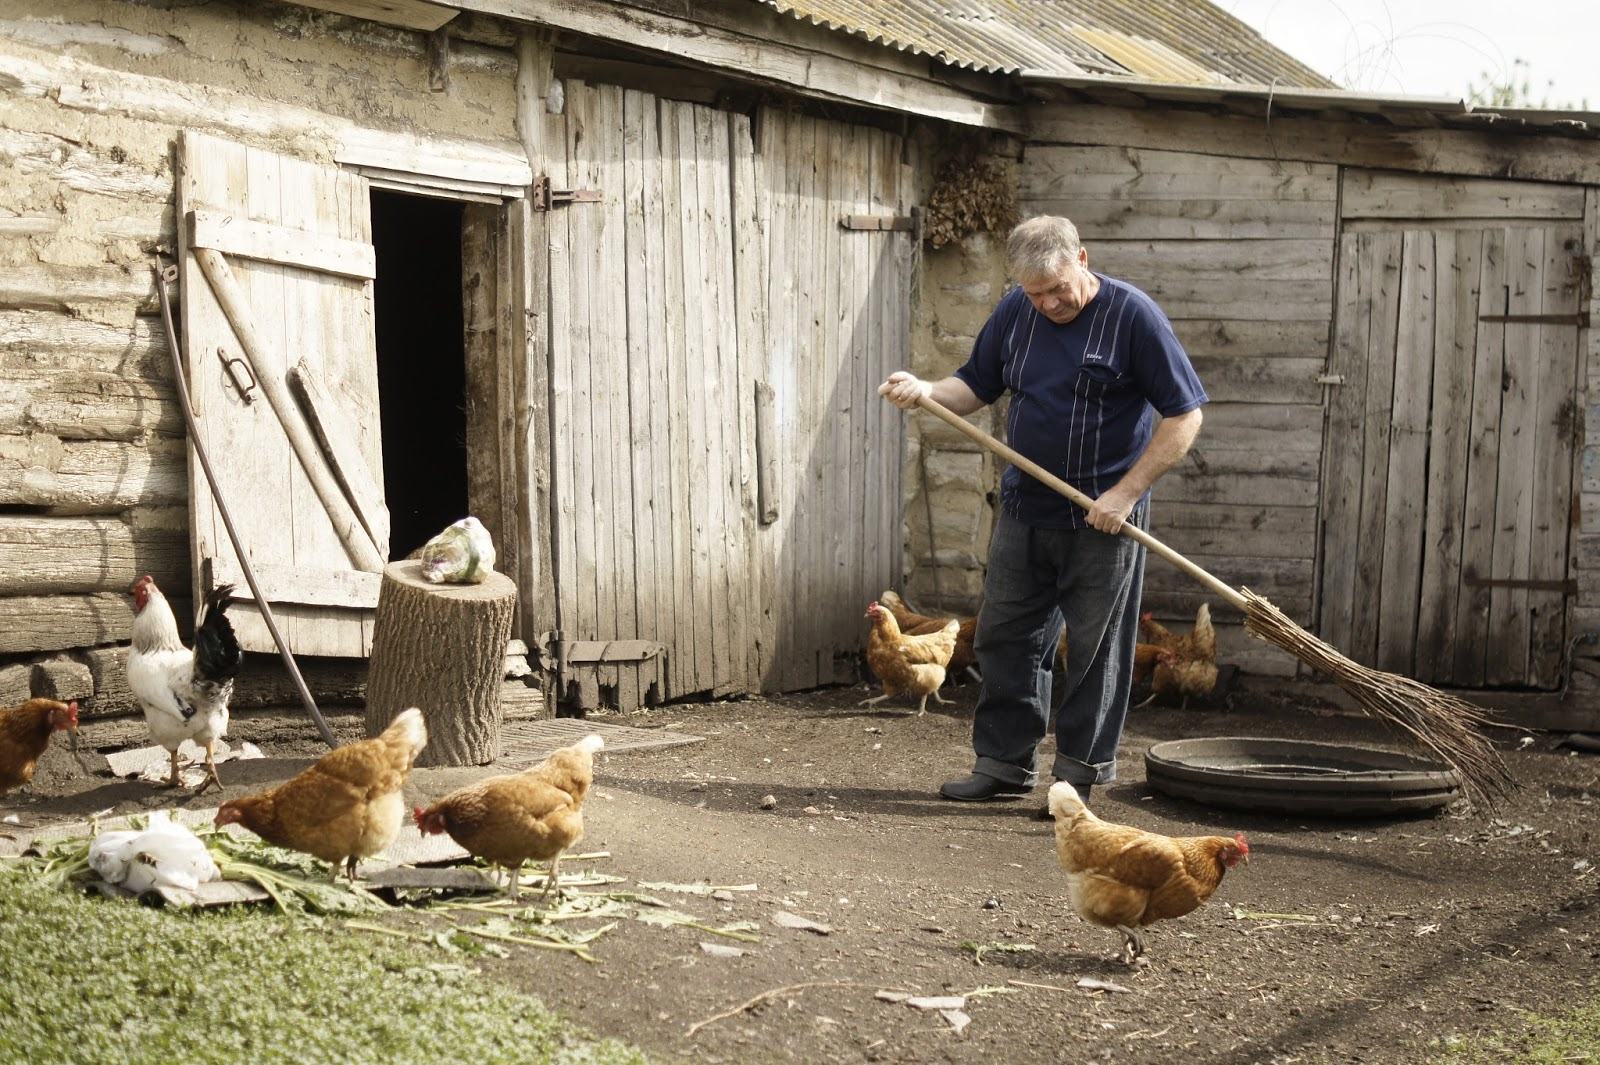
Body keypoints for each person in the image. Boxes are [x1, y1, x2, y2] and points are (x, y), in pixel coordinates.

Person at [878, 215, 1206, 808]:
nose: (1050, 303)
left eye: (1058, 288)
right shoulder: (1015, 313)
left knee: (1095, 648)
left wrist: (1126, 494)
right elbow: (973, 386)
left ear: (1082, 257)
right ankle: (1003, 765)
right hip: (1027, 508)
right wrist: (925, 389)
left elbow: (1184, 417)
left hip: (1104, 514)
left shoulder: (1133, 317)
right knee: (1006, 635)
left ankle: (1076, 777)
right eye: (1036, 293)